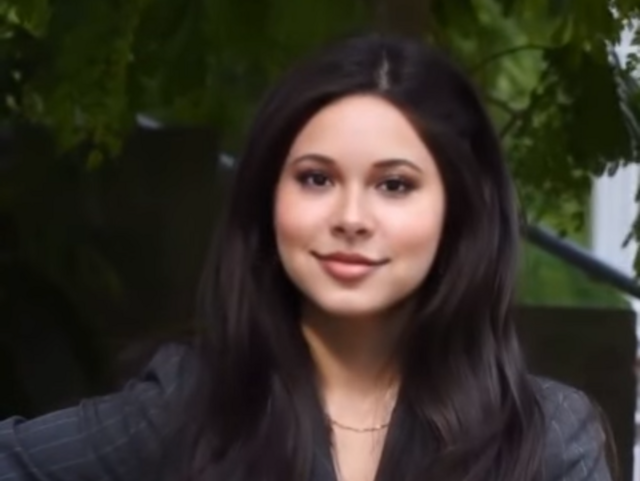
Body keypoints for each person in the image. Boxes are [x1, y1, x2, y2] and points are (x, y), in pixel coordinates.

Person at [0, 32, 612, 481]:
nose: (350, 217)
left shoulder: (546, 436)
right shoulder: (195, 403)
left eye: (394, 184)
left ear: (459, 212)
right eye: (316, 179)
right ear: (269, 197)